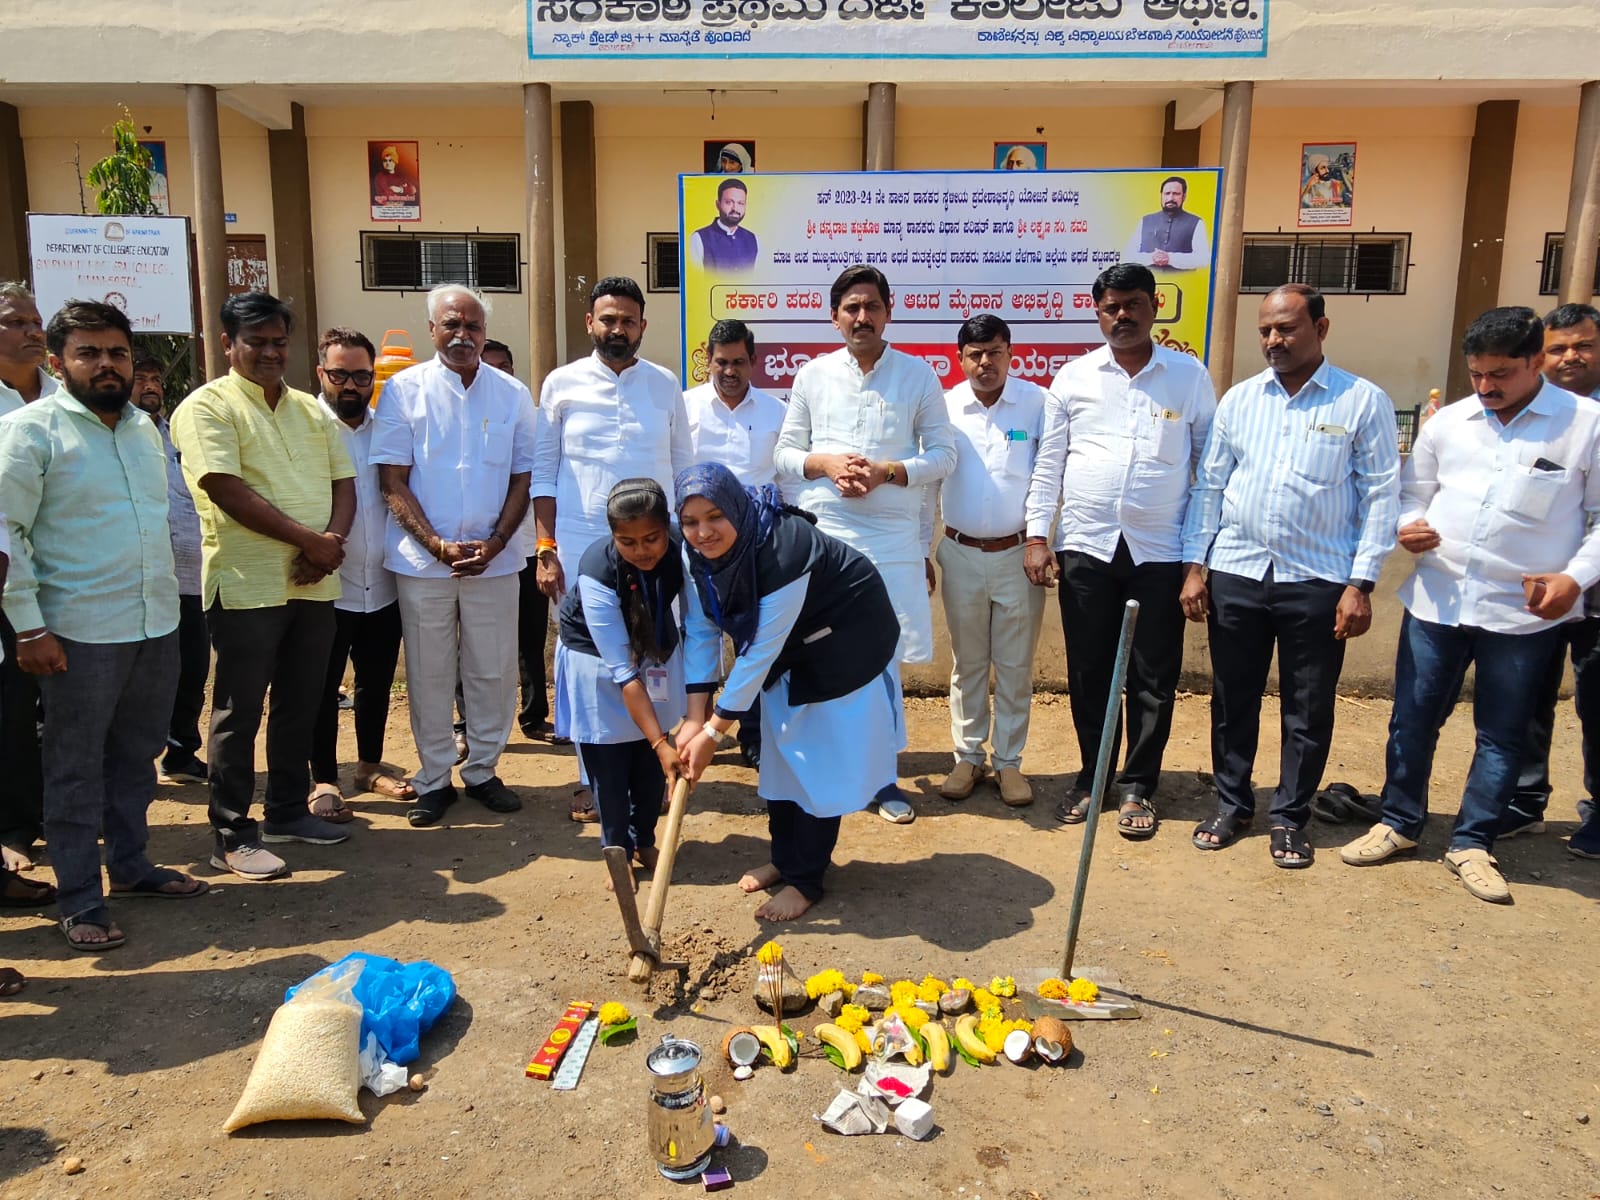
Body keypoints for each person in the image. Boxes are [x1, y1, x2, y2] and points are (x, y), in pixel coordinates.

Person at [1341, 307, 1600, 902]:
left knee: (1503, 733)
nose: (1486, 387)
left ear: (1536, 361)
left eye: (1501, 374)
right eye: (1478, 374)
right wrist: (1410, 525)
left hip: (1522, 612)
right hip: (1438, 600)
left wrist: (1575, 578)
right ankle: (1400, 822)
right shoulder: (1450, 422)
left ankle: (1473, 841)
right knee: (1412, 719)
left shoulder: (1583, 424)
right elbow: (1413, 493)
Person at [0, 300, 209, 950]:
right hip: (77, 634)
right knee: (74, 766)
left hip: (154, 623)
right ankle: (80, 899)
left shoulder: (145, 429)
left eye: (116, 352)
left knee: (137, 756)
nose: (106, 364)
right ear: (59, 363)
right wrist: (29, 627)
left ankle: (131, 864)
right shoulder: (32, 433)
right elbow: (5, 530)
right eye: (89, 352)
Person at [1181, 284, 1400, 868]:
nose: (1274, 341)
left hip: (1319, 579)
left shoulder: (1361, 401)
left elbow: (1381, 495)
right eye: (1265, 331)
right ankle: (1232, 804)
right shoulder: (1240, 401)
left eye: (1287, 329)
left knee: (1307, 705)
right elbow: (1210, 488)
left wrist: (1362, 583)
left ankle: (1289, 817)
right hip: (1238, 571)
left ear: (1321, 329)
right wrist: (1196, 566)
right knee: (1232, 699)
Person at [170, 291, 357, 881]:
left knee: (303, 702)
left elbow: (344, 484)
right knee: (238, 709)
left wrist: (328, 545)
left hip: (313, 583)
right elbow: (224, 487)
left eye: (280, 341)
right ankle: (231, 831)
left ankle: (285, 810)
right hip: (248, 584)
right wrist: (311, 540)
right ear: (229, 345)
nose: (271, 352)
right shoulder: (207, 407)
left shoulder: (310, 409)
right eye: (257, 342)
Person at [1026, 264, 1217, 834]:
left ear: (1154, 305)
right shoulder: (1074, 377)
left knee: (1153, 676)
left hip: (1160, 554)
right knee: (1088, 672)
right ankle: (1093, 776)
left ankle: (1138, 787)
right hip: (1086, 547)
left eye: (1133, 303)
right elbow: (1049, 464)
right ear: (1098, 311)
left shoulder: (1187, 376)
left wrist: (1196, 561)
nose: (1122, 315)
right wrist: (1038, 536)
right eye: (1111, 306)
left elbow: (1208, 473)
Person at [676, 463, 903, 921]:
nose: (703, 532)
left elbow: (758, 653)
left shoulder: (784, 549)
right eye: (690, 521)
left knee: (816, 760)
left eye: (715, 516)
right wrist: (694, 717)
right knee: (780, 756)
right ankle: (785, 859)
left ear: (737, 509)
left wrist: (714, 733)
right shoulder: (693, 555)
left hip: (845, 638)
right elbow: (701, 630)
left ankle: (807, 880)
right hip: (791, 645)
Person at [773, 264, 957, 823]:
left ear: (888, 311)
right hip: (826, 539)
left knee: (883, 659)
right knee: (824, 652)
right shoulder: (812, 376)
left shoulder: (918, 376)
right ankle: (831, 770)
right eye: (850, 308)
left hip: (893, 541)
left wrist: (889, 470)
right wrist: (824, 463)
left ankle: (883, 780)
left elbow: (944, 456)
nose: (861, 317)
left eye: (871, 307)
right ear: (834, 317)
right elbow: (783, 456)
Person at [374, 285, 537, 827]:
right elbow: (392, 481)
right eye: (451, 325)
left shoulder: (512, 394)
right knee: (429, 672)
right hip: (425, 564)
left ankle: (485, 771)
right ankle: (435, 778)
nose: (462, 335)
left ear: (485, 332)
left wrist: (494, 543)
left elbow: (523, 476)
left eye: (472, 326)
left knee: (492, 670)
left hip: (497, 559)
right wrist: (436, 545)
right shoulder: (402, 391)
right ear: (432, 330)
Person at [531, 275, 692, 822]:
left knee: (655, 649)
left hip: (656, 545)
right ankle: (591, 775)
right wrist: (546, 547)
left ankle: (655, 764)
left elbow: (685, 465)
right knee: (591, 658)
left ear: (643, 326)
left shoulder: (666, 384)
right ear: (590, 324)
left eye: (627, 320)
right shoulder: (561, 384)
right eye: (608, 319)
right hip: (581, 546)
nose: (617, 329)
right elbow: (544, 473)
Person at [930, 313, 1047, 807]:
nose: (985, 363)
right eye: (975, 355)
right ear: (961, 359)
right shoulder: (943, 407)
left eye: (994, 352)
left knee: (1016, 665)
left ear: (1010, 354)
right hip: (958, 552)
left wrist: (1040, 539)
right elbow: (927, 484)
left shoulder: (1036, 403)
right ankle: (968, 757)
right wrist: (923, 551)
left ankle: (1010, 763)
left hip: (1018, 555)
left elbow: (1046, 477)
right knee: (969, 662)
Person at [558, 480, 686, 893]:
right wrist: (661, 742)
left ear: (667, 527)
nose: (642, 550)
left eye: (652, 538)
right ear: (612, 537)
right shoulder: (597, 570)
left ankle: (644, 840)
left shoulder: (683, 550)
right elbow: (622, 672)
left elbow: (700, 623)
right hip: (599, 665)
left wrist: (662, 744)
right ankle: (616, 849)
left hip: (652, 654)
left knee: (649, 776)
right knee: (610, 776)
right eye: (627, 542)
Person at [308, 327, 415, 816]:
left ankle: (369, 765)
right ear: (321, 374)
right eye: (339, 375)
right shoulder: (304, 424)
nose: (350, 386)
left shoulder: (388, 425)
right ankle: (323, 779)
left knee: (375, 680)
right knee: (322, 683)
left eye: (360, 376)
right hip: (324, 583)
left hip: (384, 580)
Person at [1509, 301, 1600, 854]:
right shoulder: (1530, 415)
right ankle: (1523, 800)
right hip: (1534, 590)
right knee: (1527, 697)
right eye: (1558, 347)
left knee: (1597, 704)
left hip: (1594, 596)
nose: (1570, 357)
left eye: (1583, 345)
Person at [683, 318, 788, 768]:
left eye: (739, 362)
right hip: (700, 545)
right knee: (702, 635)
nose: (729, 371)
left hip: (757, 548)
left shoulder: (776, 412)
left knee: (757, 641)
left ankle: (756, 736)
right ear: (707, 359)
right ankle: (698, 726)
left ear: (754, 362)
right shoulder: (684, 408)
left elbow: (787, 480)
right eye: (720, 362)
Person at [133, 356, 210, 787]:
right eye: (140, 378)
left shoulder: (174, 432)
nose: (150, 386)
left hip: (189, 576)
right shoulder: (123, 434)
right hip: (141, 582)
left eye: (155, 380)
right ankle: (134, 765)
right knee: (145, 678)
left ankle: (180, 753)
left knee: (192, 670)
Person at [0, 283, 55, 871]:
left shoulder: (66, 400)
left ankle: (42, 816)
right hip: (6, 579)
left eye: (35, 320)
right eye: (16, 322)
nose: (31, 331)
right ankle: (13, 827)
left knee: (55, 709)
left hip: (60, 578)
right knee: (11, 709)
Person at [479, 338, 550, 742]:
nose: (498, 373)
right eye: (489, 365)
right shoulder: (466, 419)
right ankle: (466, 724)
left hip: (526, 545)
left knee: (531, 636)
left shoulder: (532, 416)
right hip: (484, 550)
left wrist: (545, 547)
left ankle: (533, 715)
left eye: (504, 365)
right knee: (475, 643)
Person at [1122, 176, 1210, 272]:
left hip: (1184, 283)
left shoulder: (1196, 222)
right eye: (1167, 193)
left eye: (1176, 194)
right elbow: (1128, 255)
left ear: (1184, 196)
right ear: (1161, 195)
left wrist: (1170, 258)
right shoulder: (1145, 220)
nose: (1170, 198)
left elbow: (1203, 259)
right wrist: (1152, 258)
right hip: (1147, 282)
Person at [688, 179, 759, 272]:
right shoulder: (699, 238)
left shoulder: (753, 239)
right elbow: (695, 280)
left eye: (740, 203)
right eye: (729, 202)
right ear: (718, 205)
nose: (735, 208)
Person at [371, 145, 419, 209]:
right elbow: (387, 196)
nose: (387, 163)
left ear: (395, 161)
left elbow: (413, 190)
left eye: (390, 160)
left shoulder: (401, 176)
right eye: (385, 161)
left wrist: (400, 190)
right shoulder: (380, 177)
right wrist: (404, 192)